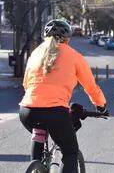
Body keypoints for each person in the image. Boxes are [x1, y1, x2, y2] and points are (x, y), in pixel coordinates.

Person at [19, 19, 108, 173]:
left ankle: (36, 168)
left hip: (27, 111)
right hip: (55, 112)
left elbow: (26, 84)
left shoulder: (35, 53)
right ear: (67, 38)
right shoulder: (74, 56)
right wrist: (100, 105)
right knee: (70, 152)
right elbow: (91, 86)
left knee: (39, 132)